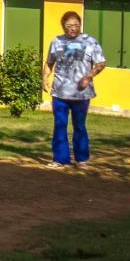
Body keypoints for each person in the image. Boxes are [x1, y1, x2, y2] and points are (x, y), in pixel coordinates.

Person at [43, 10, 106, 168]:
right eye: (69, 25)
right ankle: (60, 159)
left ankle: (81, 159)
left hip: (81, 94)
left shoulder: (90, 41)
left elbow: (101, 64)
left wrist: (88, 76)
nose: (73, 28)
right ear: (63, 26)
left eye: (76, 25)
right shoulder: (56, 41)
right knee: (59, 124)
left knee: (79, 125)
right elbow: (49, 62)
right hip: (60, 92)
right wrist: (44, 79)